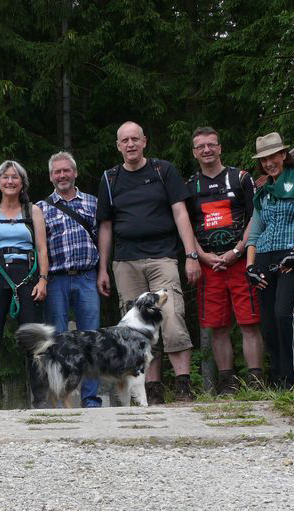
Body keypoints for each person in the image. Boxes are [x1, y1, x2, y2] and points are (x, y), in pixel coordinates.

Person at [96, 121, 201, 404]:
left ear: (145, 141)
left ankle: (182, 384)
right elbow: (105, 226)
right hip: (125, 261)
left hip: (162, 255)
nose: (130, 145)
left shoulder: (162, 170)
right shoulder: (110, 178)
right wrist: (103, 267)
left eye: (135, 139)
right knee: (135, 329)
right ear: (118, 146)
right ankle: (151, 390)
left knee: (172, 317)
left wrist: (191, 255)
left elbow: (181, 214)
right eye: (124, 141)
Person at [185, 127, 265, 395]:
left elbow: (256, 216)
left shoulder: (240, 178)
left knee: (249, 322)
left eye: (211, 145)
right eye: (200, 147)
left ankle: (255, 381)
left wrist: (238, 251)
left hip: (241, 261)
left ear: (220, 147)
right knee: (217, 328)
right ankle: (227, 384)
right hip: (209, 266)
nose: (206, 150)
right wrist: (201, 256)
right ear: (194, 153)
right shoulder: (190, 187)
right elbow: (184, 225)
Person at [245, 132, 294, 389]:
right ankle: (281, 379)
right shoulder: (263, 191)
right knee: (268, 323)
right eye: (264, 159)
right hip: (264, 258)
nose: (269, 163)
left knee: (283, 314)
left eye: (273, 156)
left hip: (291, 256)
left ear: (283, 155)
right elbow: (254, 233)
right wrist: (250, 266)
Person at [0, 160, 50, 410]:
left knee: (34, 341)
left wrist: (43, 279)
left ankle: (41, 399)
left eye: (15, 177)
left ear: (22, 183)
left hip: (26, 277)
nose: (10, 181)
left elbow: (41, 248)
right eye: (5, 177)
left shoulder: (33, 211)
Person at [36, 151, 102, 408]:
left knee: (91, 341)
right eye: (57, 171)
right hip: (56, 280)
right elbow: (39, 247)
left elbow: (102, 240)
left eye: (66, 170)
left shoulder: (92, 203)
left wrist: (103, 271)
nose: (62, 175)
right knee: (58, 342)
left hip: (87, 276)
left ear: (75, 173)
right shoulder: (41, 208)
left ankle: (91, 400)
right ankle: (63, 400)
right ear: (51, 176)